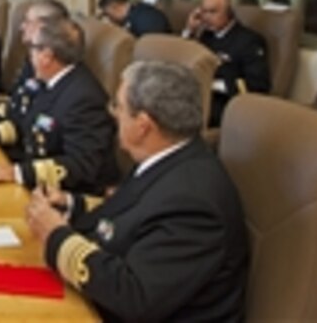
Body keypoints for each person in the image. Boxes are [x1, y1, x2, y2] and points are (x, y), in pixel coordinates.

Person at [25, 60, 249, 320]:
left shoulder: (194, 202)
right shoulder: (168, 158)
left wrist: (56, 235)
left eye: (118, 107)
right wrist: (70, 204)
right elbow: (131, 217)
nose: (113, 114)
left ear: (143, 125)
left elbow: (134, 296)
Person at [0, 17, 118, 194]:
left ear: (47, 56)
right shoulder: (50, 82)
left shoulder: (83, 98)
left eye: (32, 48)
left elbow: (81, 165)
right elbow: (23, 124)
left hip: (59, 194)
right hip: (29, 176)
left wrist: (19, 173)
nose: (29, 55)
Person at [183, 0, 269, 126]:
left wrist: (212, 85)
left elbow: (258, 84)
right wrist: (190, 31)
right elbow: (186, 59)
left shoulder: (249, 41)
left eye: (213, 12)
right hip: (200, 94)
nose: (206, 18)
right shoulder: (207, 34)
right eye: (203, 12)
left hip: (226, 102)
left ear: (229, 14)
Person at [96, 0, 171, 37]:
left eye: (109, 15)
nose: (110, 20)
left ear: (115, 7)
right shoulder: (138, 10)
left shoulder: (144, 19)